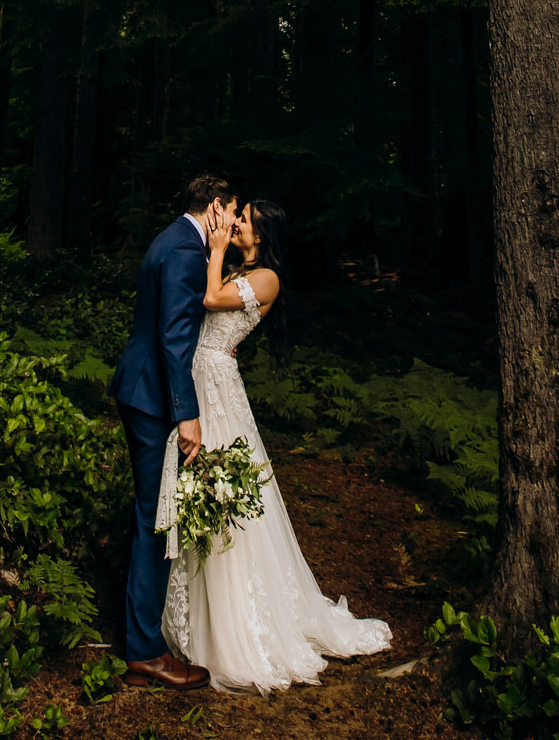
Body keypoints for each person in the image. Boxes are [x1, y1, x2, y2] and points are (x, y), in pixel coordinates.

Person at [156, 195, 392, 691]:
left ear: (259, 235)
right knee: (201, 488)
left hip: (217, 383)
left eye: (243, 220)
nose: (235, 222)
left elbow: (211, 301)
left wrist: (216, 247)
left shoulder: (268, 277)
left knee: (223, 493)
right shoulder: (243, 270)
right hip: (205, 376)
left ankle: (240, 627)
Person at [107, 172, 233, 690]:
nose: (233, 220)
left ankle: (143, 640)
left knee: (149, 514)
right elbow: (174, 341)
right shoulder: (185, 252)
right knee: (158, 518)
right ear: (214, 208)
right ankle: (146, 651)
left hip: (140, 390)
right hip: (154, 399)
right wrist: (187, 414)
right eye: (231, 210)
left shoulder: (173, 238)